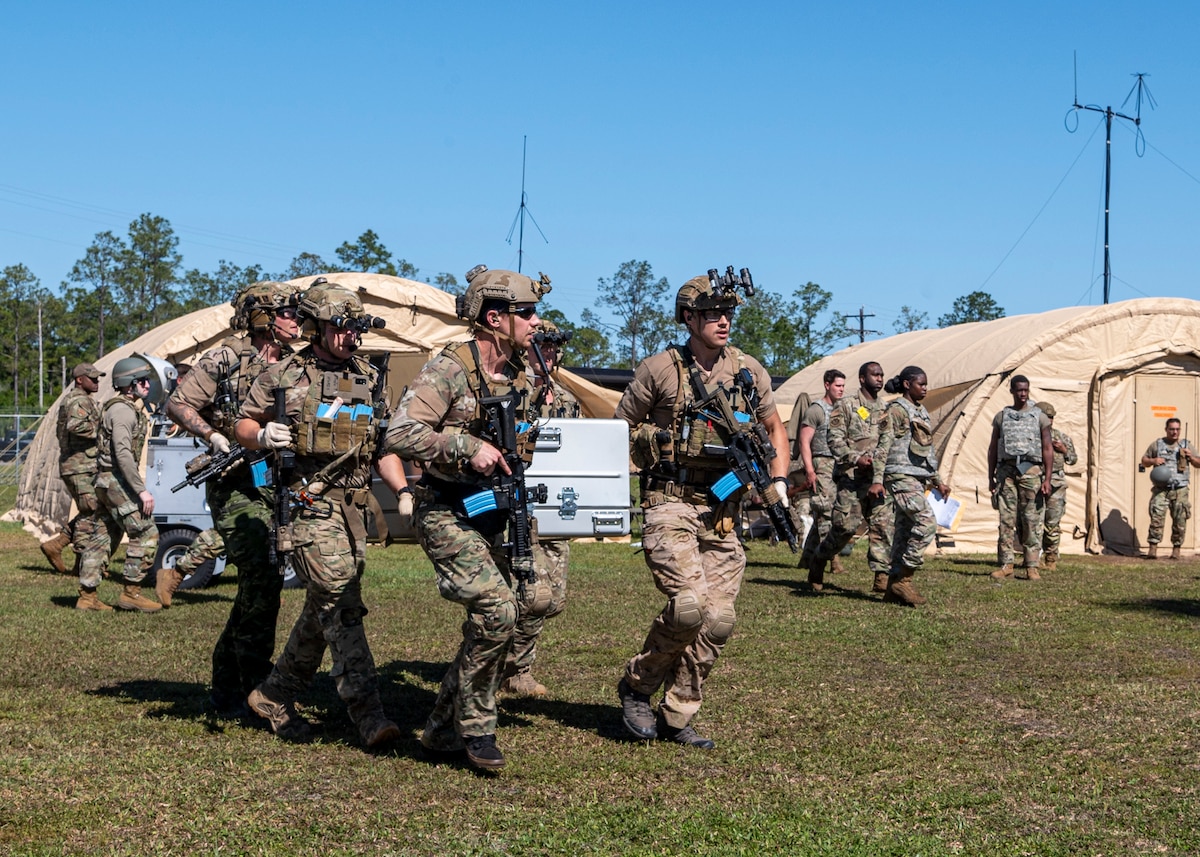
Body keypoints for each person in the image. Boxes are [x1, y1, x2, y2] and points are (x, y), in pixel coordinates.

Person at [384, 264, 552, 771]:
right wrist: (463, 445)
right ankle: (477, 729)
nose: (536, 322)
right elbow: (398, 434)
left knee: (517, 607)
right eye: (527, 313)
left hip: (495, 507)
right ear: (494, 318)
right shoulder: (449, 368)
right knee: (497, 610)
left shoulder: (522, 371)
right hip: (444, 508)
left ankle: (439, 727)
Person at [615, 270, 789, 749]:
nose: (723, 321)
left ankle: (678, 712)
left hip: (723, 508)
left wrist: (776, 482)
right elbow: (618, 430)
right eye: (712, 313)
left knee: (718, 620)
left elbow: (775, 428)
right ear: (688, 317)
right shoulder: (658, 369)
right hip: (669, 501)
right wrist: (659, 440)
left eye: (728, 313)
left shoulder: (748, 370)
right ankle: (637, 685)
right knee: (688, 608)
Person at [237, 280, 401, 749]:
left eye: (355, 328)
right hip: (308, 503)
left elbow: (381, 445)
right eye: (340, 327)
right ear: (315, 326)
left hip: (353, 507)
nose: (351, 336)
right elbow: (243, 422)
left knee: (326, 602)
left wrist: (403, 489)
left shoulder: (369, 378)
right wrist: (263, 434)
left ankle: (274, 693)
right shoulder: (283, 375)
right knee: (341, 595)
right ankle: (368, 712)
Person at [164, 280, 302, 716]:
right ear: (262, 318)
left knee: (260, 587)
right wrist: (212, 435)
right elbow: (178, 403)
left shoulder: (298, 365)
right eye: (286, 312)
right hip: (236, 482)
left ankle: (228, 686)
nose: (295, 320)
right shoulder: (226, 357)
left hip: (279, 483)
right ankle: (255, 687)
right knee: (261, 575)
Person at [500, 319, 578, 698]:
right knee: (522, 594)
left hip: (553, 506)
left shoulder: (566, 400)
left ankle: (516, 666)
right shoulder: (508, 389)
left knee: (553, 598)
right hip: (513, 503)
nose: (548, 352)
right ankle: (502, 668)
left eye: (554, 346)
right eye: (541, 344)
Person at [77, 355, 162, 612]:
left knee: (103, 536)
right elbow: (123, 453)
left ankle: (87, 596)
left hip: (105, 479)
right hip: (115, 479)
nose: (147, 386)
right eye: (142, 381)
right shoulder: (123, 411)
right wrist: (141, 491)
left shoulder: (120, 407)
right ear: (129, 384)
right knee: (146, 532)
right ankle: (131, 594)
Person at [869, 366, 949, 607]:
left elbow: (926, 450)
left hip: (917, 477)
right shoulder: (895, 410)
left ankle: (893, 587)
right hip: (899, 475)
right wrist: (877, 479)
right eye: (920, 384)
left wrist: (937, 480)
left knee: (904, 531)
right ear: (906, 384)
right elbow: (883, 446)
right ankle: (905, 577)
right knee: (926, 522)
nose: (924, 388)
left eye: (925, 384)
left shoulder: (921, 411)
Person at [811, 361, 894, 593]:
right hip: (852, 478)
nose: (879, 378)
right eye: (874, 374)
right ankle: (819, 558)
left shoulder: (885, 408)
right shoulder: (846, 405)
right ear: (862, 378)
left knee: (883, 525)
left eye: (881, 374)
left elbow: (886, 442)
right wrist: (855, 458)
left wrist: (879, 472)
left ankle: (881, 576)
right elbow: (834, 439)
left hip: (877, 479)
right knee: (844, 527)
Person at [42, 362, 106, 579]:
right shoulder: (78, 399)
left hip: (81, 464)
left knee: (91, 510)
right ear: (80, 380)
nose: (97, 382)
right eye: (93, 379)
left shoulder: (81, 399)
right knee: (91, 511)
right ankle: (80, 562)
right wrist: (103, 429)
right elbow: (75, 426)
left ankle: (58, 545)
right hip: (79, 465)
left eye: (98, 378)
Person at [987, 375, 1052, 580]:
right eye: (1019, 390)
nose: (1023, 394)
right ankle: (1006, 564)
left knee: (1031, 519)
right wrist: (991, 477)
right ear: (1012, 391)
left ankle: (1032, 565)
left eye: (1025, 390)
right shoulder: (1001, 417)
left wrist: (1047, 479)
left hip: (1031, 472)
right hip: (1007, 472)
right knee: (1006, 520)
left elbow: (1048, 448)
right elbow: (992, 448)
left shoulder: (1039, 417)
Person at [799, 369, 845, 590]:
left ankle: (808, 557)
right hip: (822, 462)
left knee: (825, 511)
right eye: (838, 385)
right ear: (827, 385)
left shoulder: (843, 410)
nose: (841, 390)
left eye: (843, 386)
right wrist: (809, 469)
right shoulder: (816, 410)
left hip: (839, 464)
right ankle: (832, 559)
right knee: (825, 510)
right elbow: (804, 441)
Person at [1140, 417, 1199, 560]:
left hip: (1180, 489)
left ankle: (1176, 550)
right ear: (1166, 429)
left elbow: (1199, 463)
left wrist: (1191, 457)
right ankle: (1152, 549)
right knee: (1156, 518)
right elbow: (1144, 460)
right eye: (1171, 429)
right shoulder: (1157, 445)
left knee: (1180, 520)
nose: (1174, 432)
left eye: (1177, 429)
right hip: (1161, 489)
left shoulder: (1186, 445)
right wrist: (1154, 460)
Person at [1038, 402, 1077, 572]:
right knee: (1032, 522)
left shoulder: (1061, 437)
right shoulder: (1031, 438)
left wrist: (1064, 450)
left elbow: (1073, 460)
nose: (1050, 420)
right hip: (1034, 482)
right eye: (1046, 417)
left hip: (1056, 484)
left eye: (1052, 417)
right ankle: (1032, 558)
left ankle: (1051, 557)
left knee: (1052, 522)